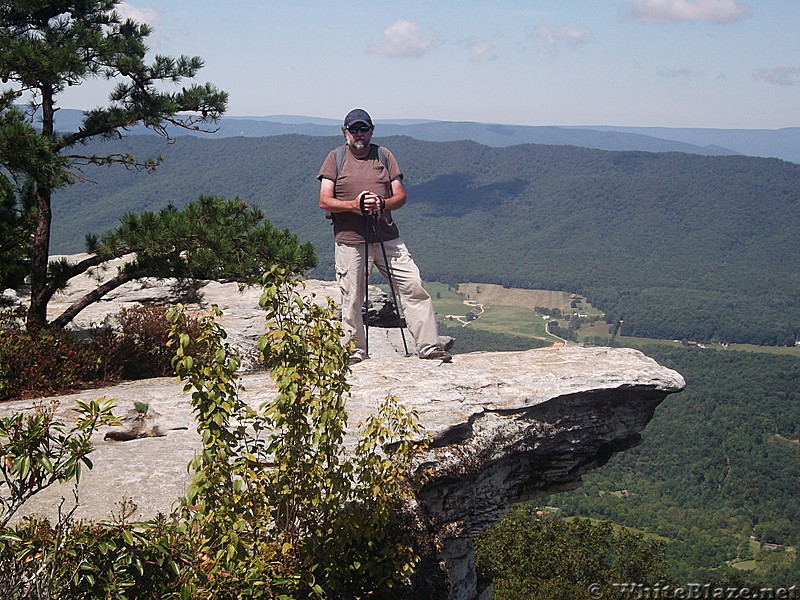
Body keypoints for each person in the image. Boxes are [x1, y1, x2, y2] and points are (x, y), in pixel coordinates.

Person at [317, 108, 452, 363]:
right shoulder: (335, 158)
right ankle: (354, 351)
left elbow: (400, 197)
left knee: (413, 286)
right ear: (344, 132)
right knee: (353, 298)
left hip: (386, 235)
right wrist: (354, 205)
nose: (359, 134)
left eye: (363, 129)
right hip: (350, 239)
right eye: (353, 129)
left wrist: (382, 202)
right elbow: (324, 201)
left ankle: (429, 347)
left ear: (371, 131)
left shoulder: (384, 155)